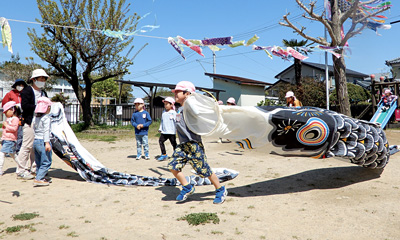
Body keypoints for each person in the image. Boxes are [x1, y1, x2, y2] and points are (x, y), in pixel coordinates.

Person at [168, 81, 227, 204]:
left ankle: (220, 189)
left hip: (194, 144)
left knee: (204, 171)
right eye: (175, 92)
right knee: (173, 167)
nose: (175, 94)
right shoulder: (179, 109)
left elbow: (198, 112)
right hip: (183, 145)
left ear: (187, 93)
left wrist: (191, 99)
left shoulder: (191, 107)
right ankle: (187, 187)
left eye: (178, 91)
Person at [16, 69, 49, 180]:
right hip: (29, 122)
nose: (43, 80)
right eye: (41, 78)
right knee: (27, 146)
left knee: (36, 147)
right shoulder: (27, 91)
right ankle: (21, 170)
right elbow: (24, 106)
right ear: (34, 79)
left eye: (44, 79)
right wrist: (38, 107)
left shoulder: (43, 93)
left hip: (40, 123)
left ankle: (35, 168)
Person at [1, 79, 27, 157]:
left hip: (22, 115)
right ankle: (9, 149)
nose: (21, 87)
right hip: (13, 116)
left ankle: (17, 149)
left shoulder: (24, 94)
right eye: (19, 85)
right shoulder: (10, 94)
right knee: (11, 132)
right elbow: (4, 105)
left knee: (20, 134)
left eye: (22, 85)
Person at [32, 97, 53, 186]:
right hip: (43, 142)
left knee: (38, 161)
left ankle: (40, 175)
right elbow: (46, 131)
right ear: (47, 108)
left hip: (36, 141)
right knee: (46, 161)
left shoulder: (35, 118)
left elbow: (34, 129)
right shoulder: (46, 118)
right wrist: (47, 143)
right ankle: (39, 178)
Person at [0, 101, 19, 176]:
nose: (5, 114)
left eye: (6, 112)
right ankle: (21, 166)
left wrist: (6, 125)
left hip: (10, 140)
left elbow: (14, 129)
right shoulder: (9, 119)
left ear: (12, 110)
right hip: (6, 139)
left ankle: (0, 169)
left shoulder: (15, 119)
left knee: (2, 154)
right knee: (13, 154)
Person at [157, 97, 177, 161]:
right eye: (164, 104)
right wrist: (160, 128)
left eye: (167, 104)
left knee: (174, 144)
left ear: (171, 105)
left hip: (171, 132)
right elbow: (162, 121)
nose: (165, 105)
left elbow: (176, 122)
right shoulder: (163, 112)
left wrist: (177, 129)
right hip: (164, 132)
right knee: (161, 141)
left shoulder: (173, 113)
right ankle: (164, 154)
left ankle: (176, 155)